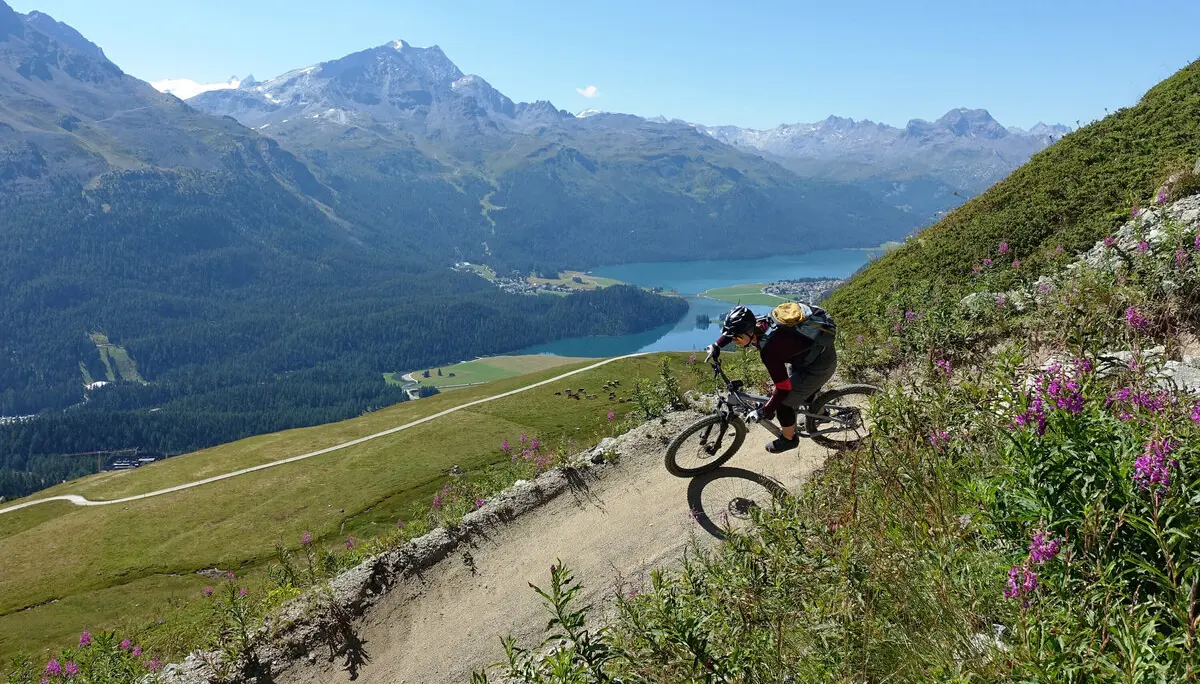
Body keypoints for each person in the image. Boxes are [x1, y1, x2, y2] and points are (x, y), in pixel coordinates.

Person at [705, 305, 838, 453]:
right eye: (733, 339)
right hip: (809, 355)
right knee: (799, 394)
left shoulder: (769, 351)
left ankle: (789, 440)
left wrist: (763, 411)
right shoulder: (760, 324)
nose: (735, 342)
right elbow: (734, 331)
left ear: (749, 331)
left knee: (784, 403)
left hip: (819, 365)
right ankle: (821, 414)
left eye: (737, 339)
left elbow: (783, 389)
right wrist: (717, 345)